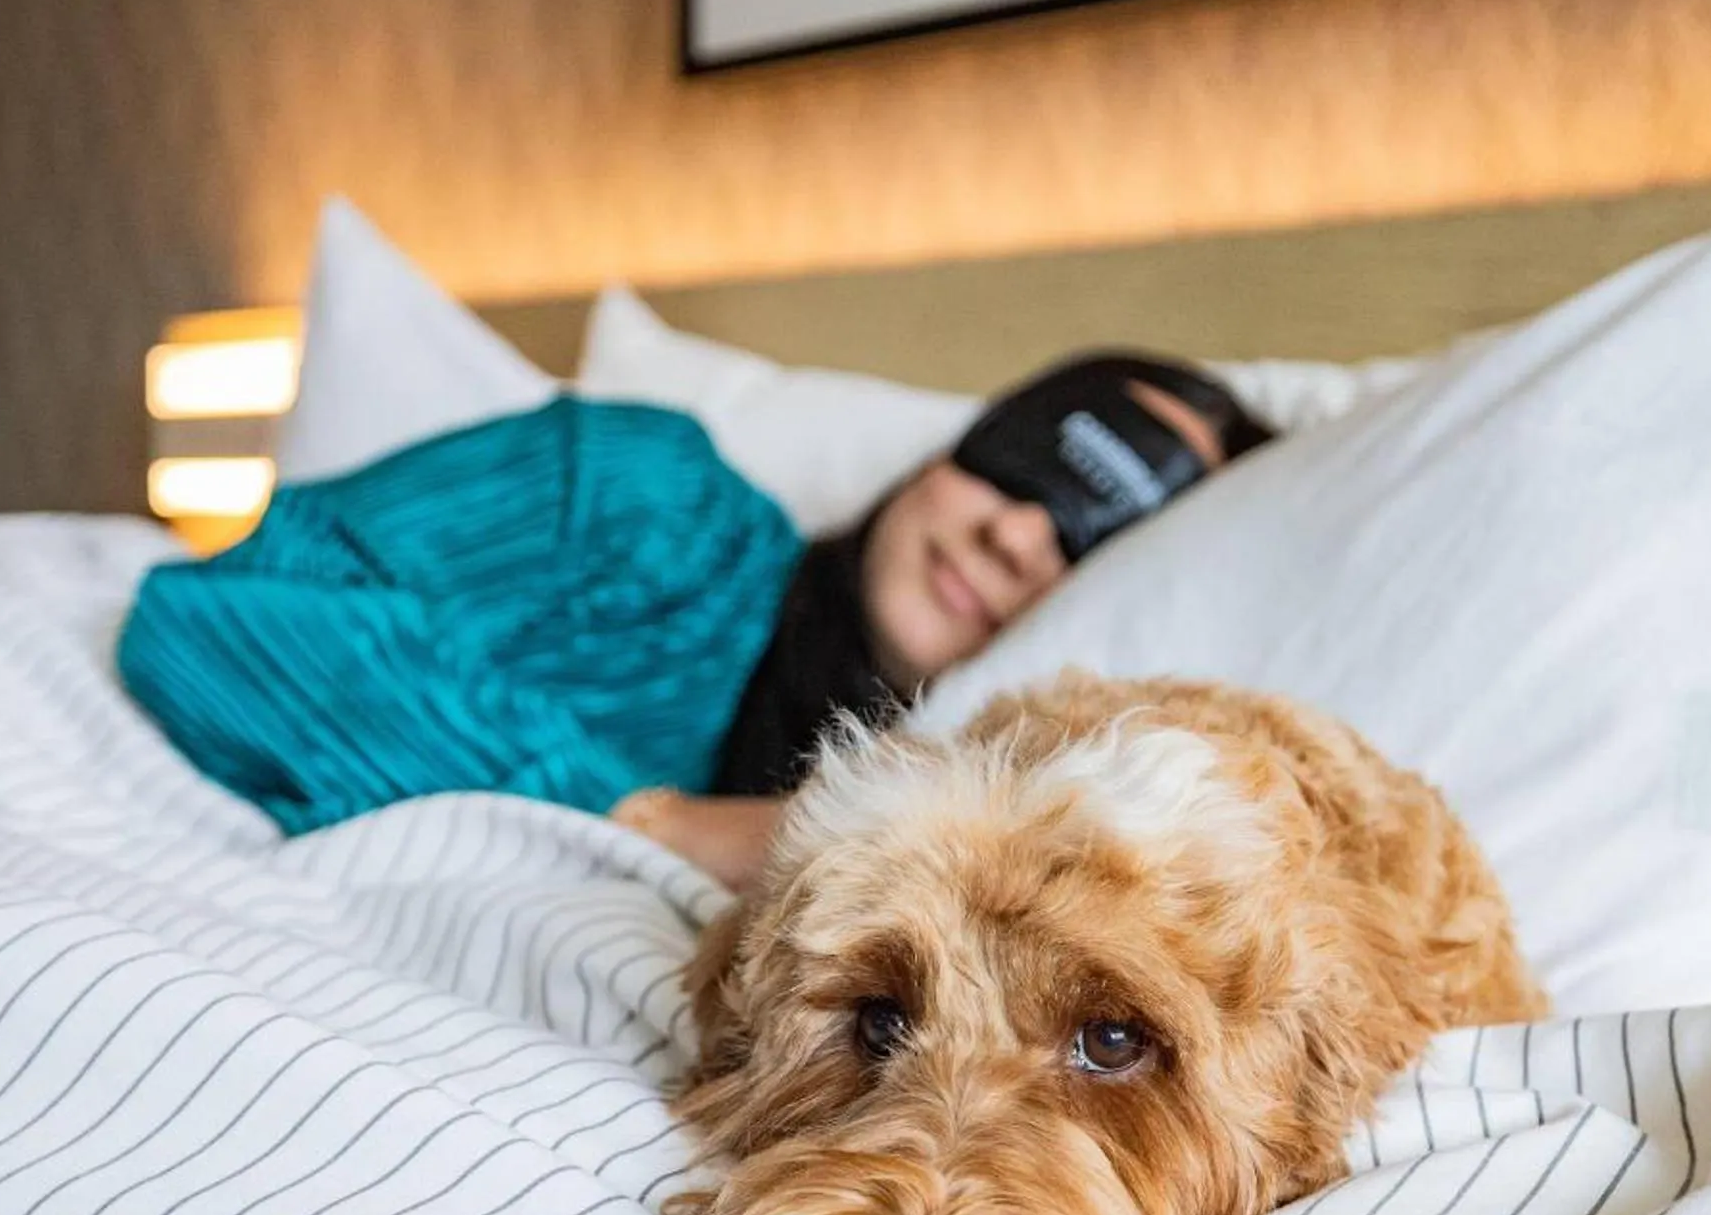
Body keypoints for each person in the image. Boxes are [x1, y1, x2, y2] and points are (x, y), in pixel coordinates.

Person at [119, 351, 1270, 889]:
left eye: (1088, 539)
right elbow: (216, 611)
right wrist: (647, 821)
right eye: (1023, 467)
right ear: (946, 449)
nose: (1017, 536)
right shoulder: (638, 491)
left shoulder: (988, 834)